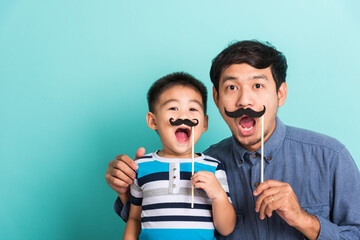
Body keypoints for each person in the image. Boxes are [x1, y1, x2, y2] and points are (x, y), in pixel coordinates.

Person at [106, 40, 360, 239]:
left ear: (280, 94)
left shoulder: (330, 156)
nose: (244, 101)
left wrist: (303, 219)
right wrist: (126, 190)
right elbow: (162, 222)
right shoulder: (202, 164)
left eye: (258, 86)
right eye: (231, 87)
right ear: (216, 99)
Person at [121, 72, 236, 240]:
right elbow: (134, 218)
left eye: (193, 109)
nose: (184, 116)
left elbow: (226, 229)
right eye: (173, 108)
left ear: (204, 123)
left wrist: (218, 194)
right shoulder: (141, 166)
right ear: (153, 121)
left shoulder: (214, 167)